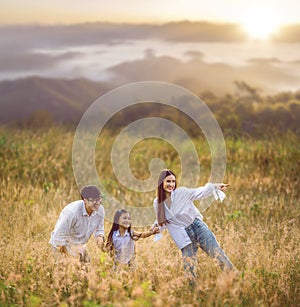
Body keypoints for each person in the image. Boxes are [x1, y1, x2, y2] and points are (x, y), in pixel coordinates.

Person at [153, 169, 238, 281]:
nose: (171, 184)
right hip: (184, 236)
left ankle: (237, 279)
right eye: (168, 181)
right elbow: (163, 221)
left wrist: (215, 187)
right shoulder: (157, 203)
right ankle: (193, 293)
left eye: (173, 181)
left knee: (218, 255)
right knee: (189, 267)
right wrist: (152, 230)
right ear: (161, 183)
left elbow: (199, 192)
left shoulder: (181, 192)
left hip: (197, 227)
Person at [49, 185, 105, 263]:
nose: (98, 203)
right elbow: (59, 237)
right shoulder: (72, 212)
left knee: (86, 268)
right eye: (94, 200)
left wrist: (100, 239)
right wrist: (67, 259)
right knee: (65, 272)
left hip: (79, 246)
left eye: (99, 199)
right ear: (85, 200)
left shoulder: (100, 210)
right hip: (62, 246)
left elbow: (99, 230)